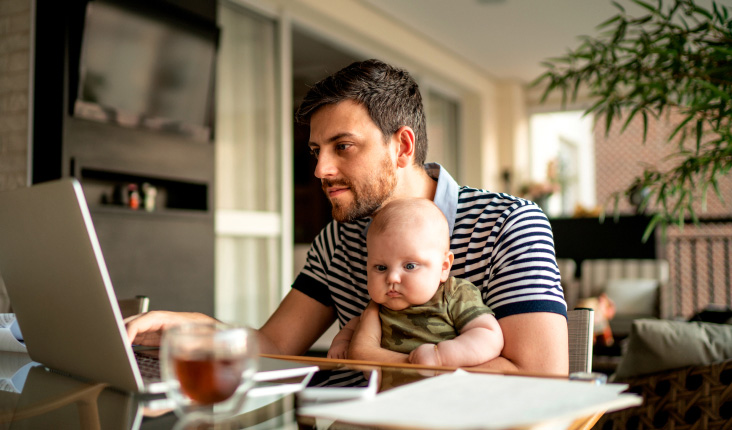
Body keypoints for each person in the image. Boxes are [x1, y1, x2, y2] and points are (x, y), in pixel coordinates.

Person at [126, 59, 569, 374]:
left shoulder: (508, 223)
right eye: (317, 151)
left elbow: (543, 376)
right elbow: (276, 345)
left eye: (344, 146)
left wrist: (391, 363)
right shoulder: (336, 242)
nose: (321, 170)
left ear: (402, 147)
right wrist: (197, 328)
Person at [327, 198, 503, 368]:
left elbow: (488, 334)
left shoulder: (453, 294)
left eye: (410, 266)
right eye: (381, 267)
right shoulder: (379, 307)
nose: (392, 278)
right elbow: (354, 325)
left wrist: (441, 355)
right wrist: (342, 342)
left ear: (443, 267)